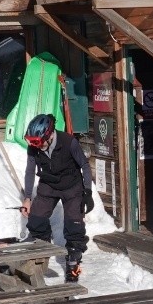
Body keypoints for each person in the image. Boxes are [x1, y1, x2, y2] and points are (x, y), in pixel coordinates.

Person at [21, 114, 94, 283]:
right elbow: (30, 170)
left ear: (50, 134)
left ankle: (73, 264)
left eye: (38, 142)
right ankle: (41, 250)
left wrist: (88, 192)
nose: (35, 146)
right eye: (32, 142)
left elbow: (84, 165)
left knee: (74, 227)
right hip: (49, 184)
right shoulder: (33, 147)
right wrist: (27, 198)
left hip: (72, 186)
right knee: (36, 221)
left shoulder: (69, 142)